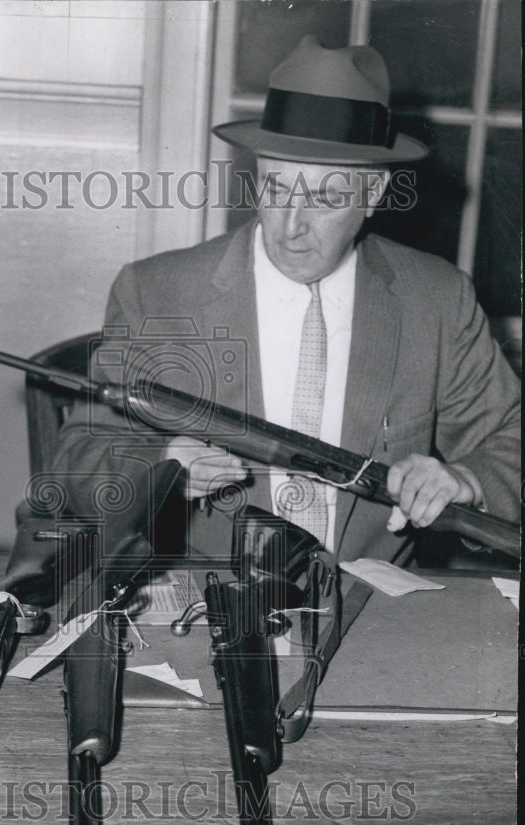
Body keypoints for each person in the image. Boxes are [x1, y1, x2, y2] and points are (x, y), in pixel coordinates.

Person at [51, 36, 520, 564]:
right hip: (208, 599)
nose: (292, 226)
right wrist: (162, 464)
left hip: (372, 605)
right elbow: (77, 458)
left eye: (326, 198)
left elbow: (512, 436)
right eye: (276, 189)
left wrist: (464, 478)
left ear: (374, 194)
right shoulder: (158, 291)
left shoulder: (436, 299)